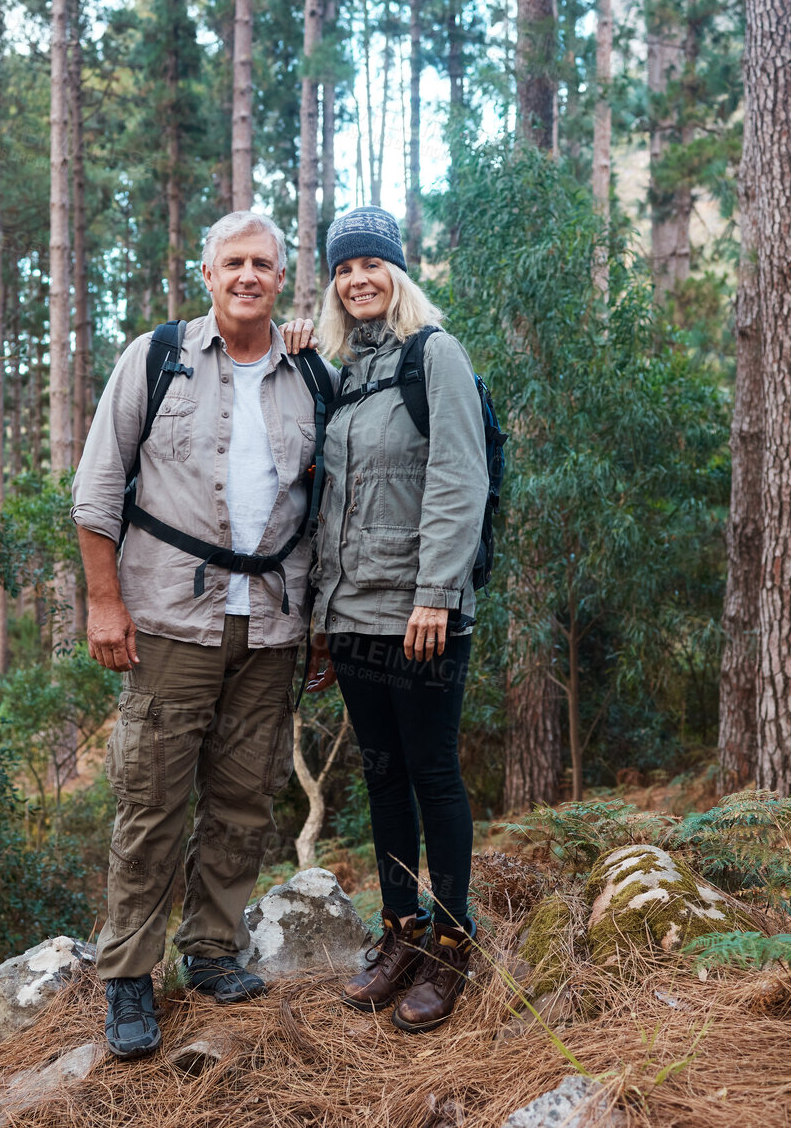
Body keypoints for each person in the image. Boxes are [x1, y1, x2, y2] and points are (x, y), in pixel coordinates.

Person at [71, 210, 333, 1060]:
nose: (248, 275)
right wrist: (104, 603)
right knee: (151, 802)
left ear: (280, 278)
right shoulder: (158, 358)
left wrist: (320, 620)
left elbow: (327, 507)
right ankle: (128, 977)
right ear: (208, 272)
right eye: (234, 262)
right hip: (170, 621)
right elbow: (97, 489)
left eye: (263, 262)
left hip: (270, 623)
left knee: (243, 796)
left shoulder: (308, 373)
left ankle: (213, 950)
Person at [284, 206, 488, 1033]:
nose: (357, 278)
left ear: (397, 273)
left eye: (371, 264)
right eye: (343, 268)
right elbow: (331, 502)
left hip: (422, 615)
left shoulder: (432, 354)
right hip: (356, 618)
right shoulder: (344, 376)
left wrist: (434, 591)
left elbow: (457, 476)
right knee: (380, 776)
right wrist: (323, 622)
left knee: (432, 773)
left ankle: (450, 942)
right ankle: (399, 931)